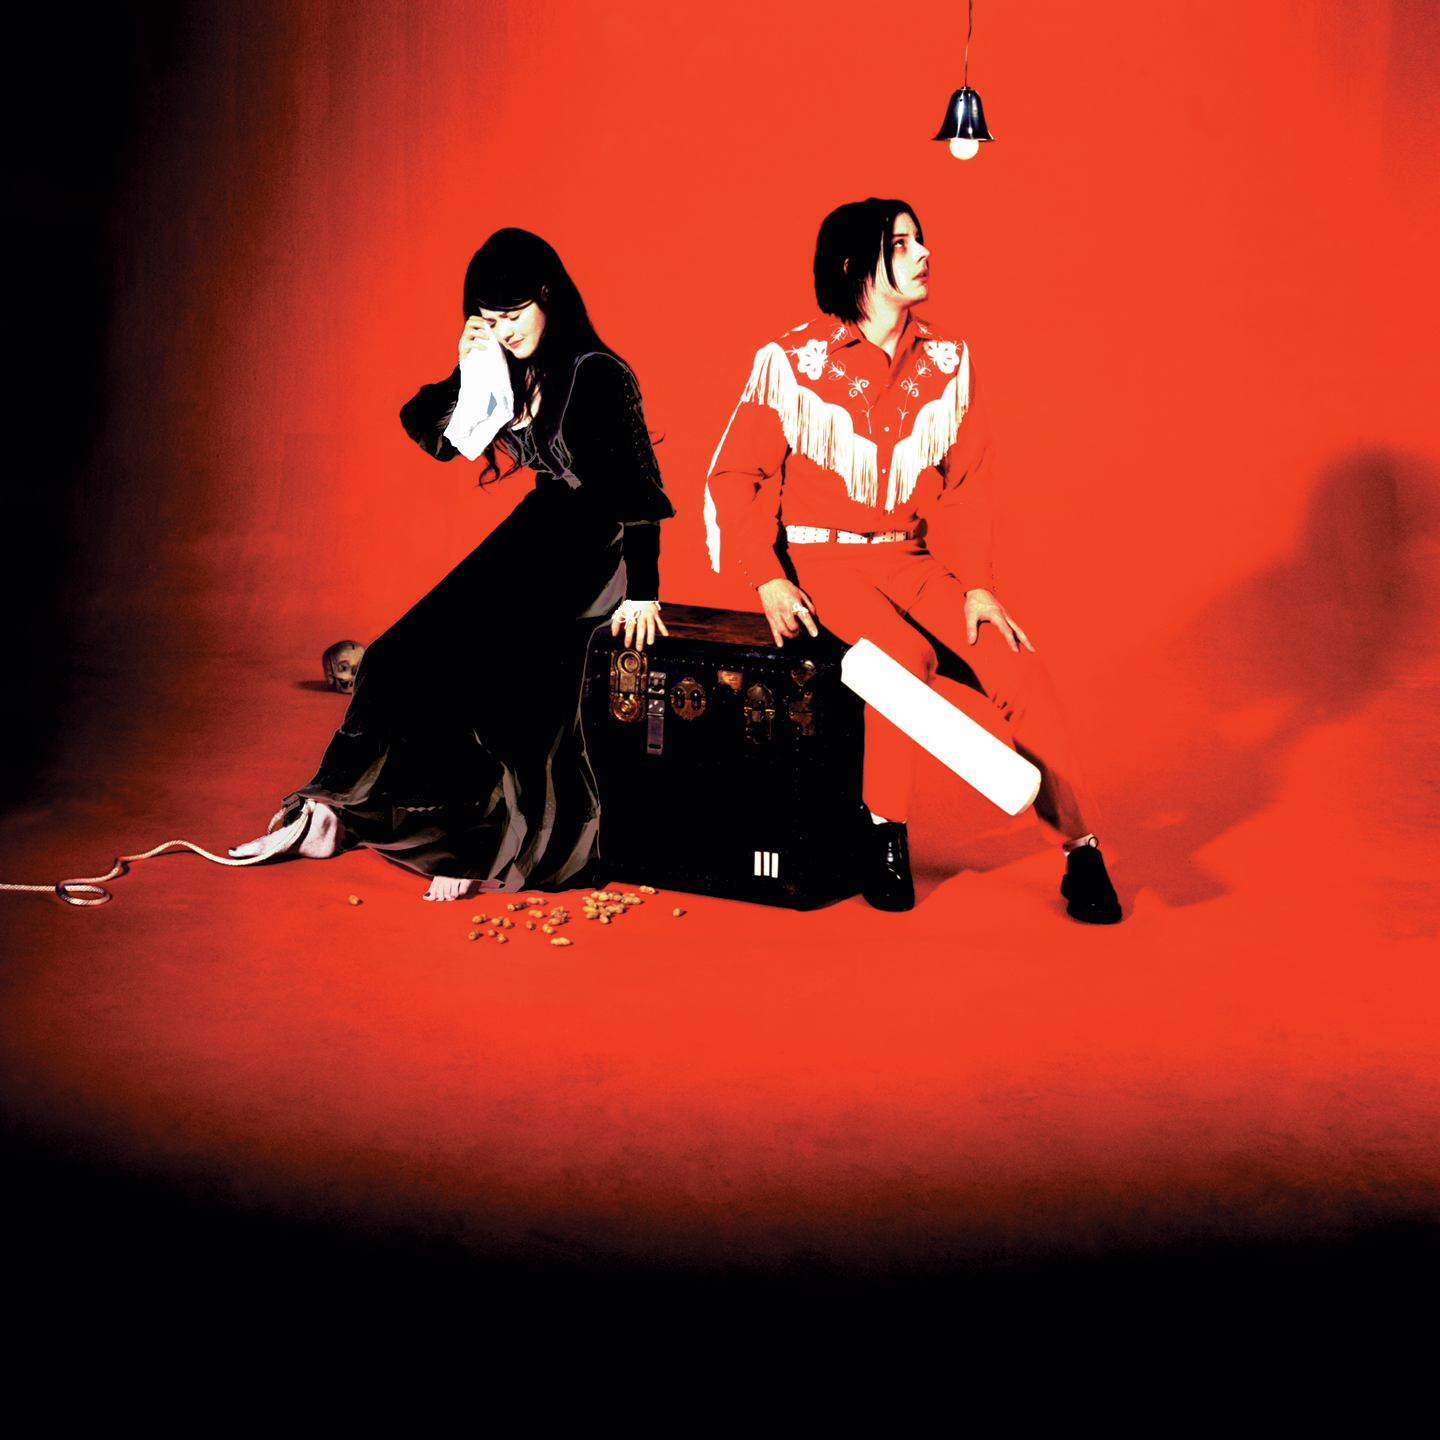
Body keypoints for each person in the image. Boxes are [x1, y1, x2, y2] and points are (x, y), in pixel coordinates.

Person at [703, 198, 1121, 922]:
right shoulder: (791, 361)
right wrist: (767, 577)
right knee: (901, 658)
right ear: (852, 266)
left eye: (920, 239)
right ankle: (883, 832)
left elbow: (968, 486)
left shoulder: (949, 361)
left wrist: (979, 587)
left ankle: (1080, 849)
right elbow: (734, 476)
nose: (923, 253)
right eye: (900, 244)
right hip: (822, 564)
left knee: (1016, 663)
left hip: (913, 560)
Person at [232, 228, 673, 900]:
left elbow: (639, 490)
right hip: (538, 529)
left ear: (548, 296)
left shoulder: (598, 374)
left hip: (595, 549)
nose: (506, 331)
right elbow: (432, 433)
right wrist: (470, 366)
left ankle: (478, 848)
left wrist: (643, 591)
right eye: (490, 319)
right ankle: (331, 811)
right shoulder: (506, 365)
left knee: (492, 680)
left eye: (515, 315)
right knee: (396, 657)